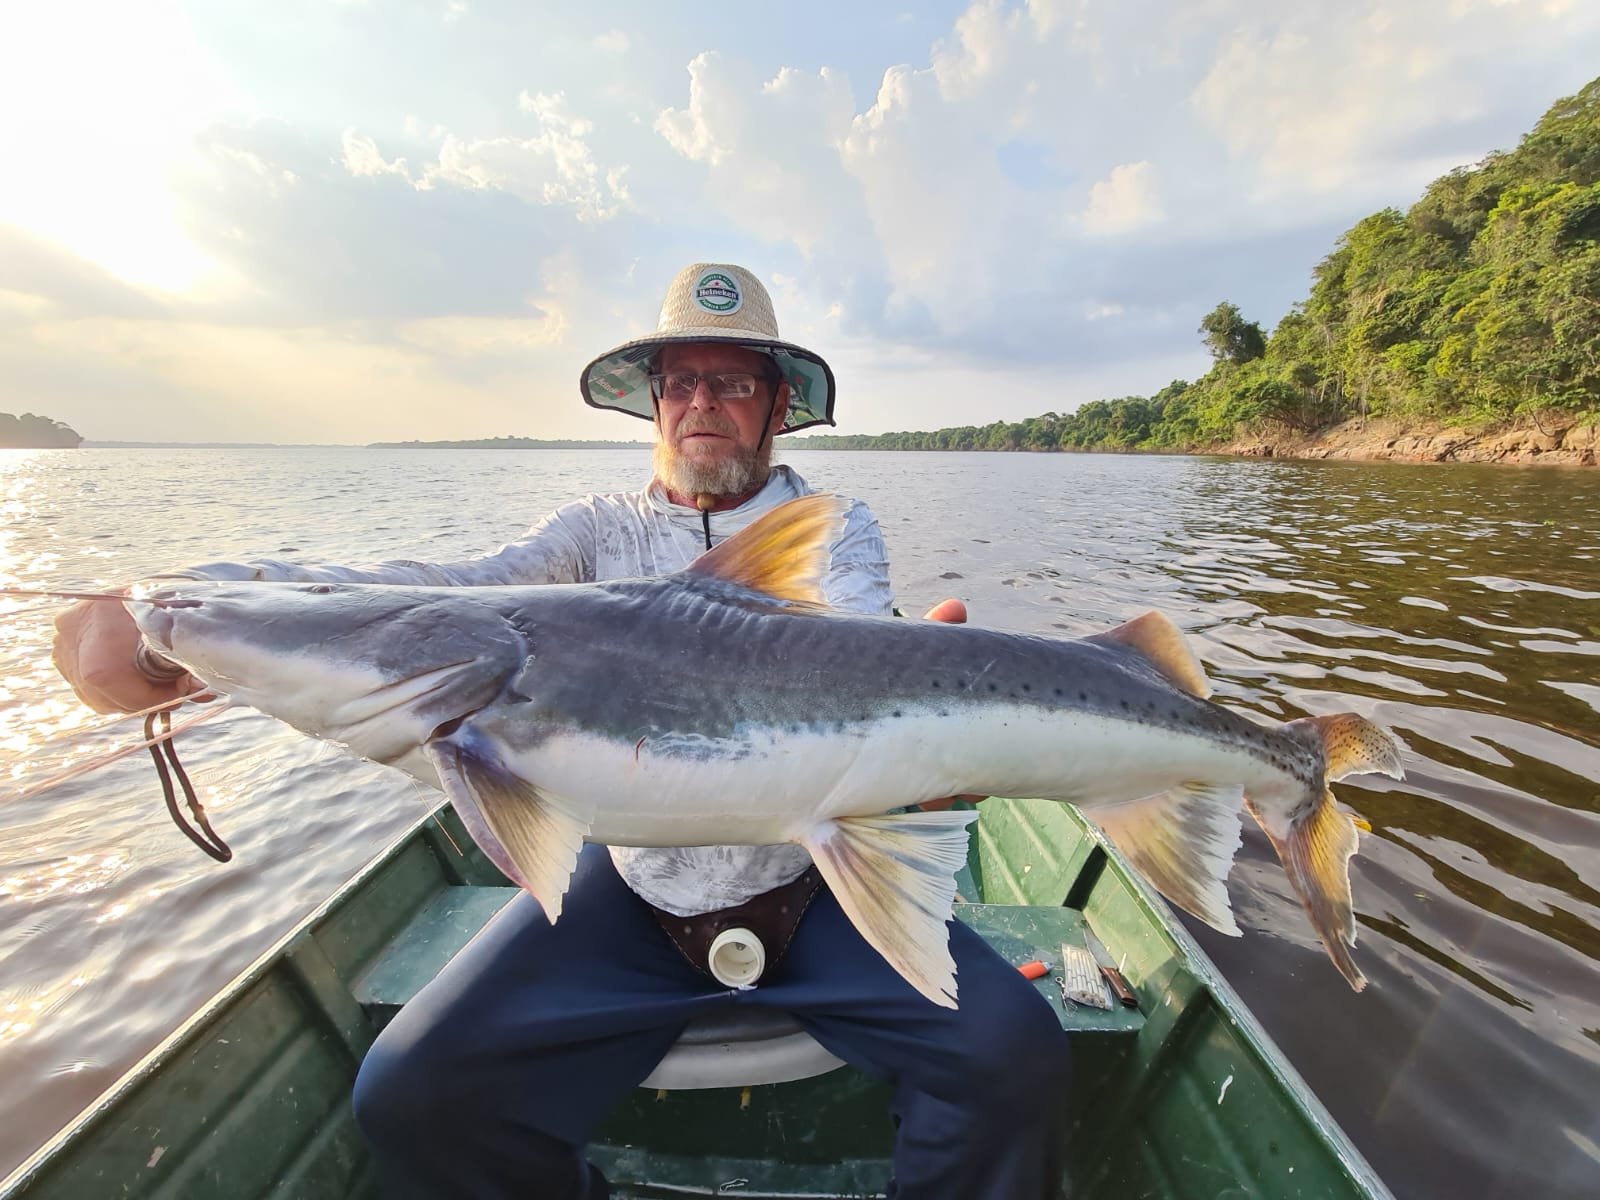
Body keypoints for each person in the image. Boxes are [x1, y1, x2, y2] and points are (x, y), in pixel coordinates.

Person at [53, 263, 1072, 1199]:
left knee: (1010, 1054)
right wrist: (181, 616)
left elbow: (844, 642)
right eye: (682, 383)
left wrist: (935, 732)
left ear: (776, 409)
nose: (703, 404)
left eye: (732, 382)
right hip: (630, 883)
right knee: (412, 1095)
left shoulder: (831, 528)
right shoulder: (592, 535)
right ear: (655, 403)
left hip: (815, 882)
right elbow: (440, 594)